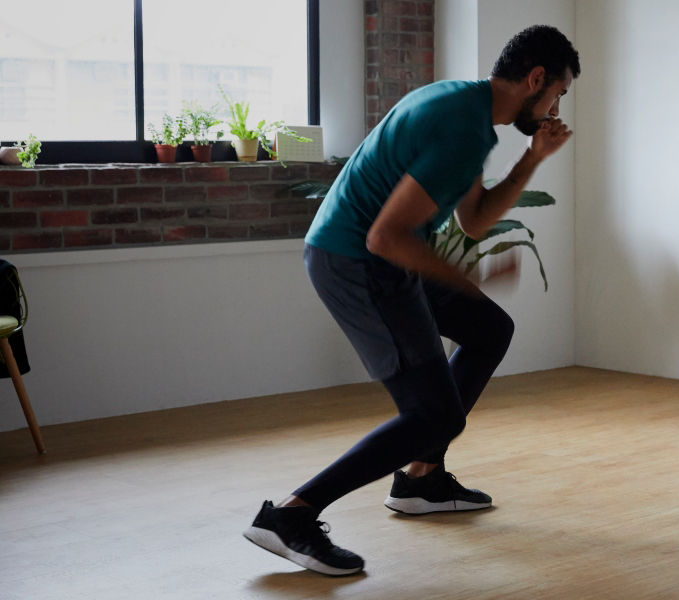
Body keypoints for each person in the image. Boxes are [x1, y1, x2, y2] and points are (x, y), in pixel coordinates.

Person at [242, 25, 580, 576]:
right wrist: (468, 280)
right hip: (358, 260)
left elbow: (472, 221)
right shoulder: (462, 129)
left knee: (489, 329)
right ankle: (292, 514)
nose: (555, 106)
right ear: (536, 78)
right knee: (432, 412)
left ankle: (422, 478)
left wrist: (532, 156)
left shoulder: (462, 107)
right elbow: (385, 237)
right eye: (558, 93)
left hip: (381, 256)